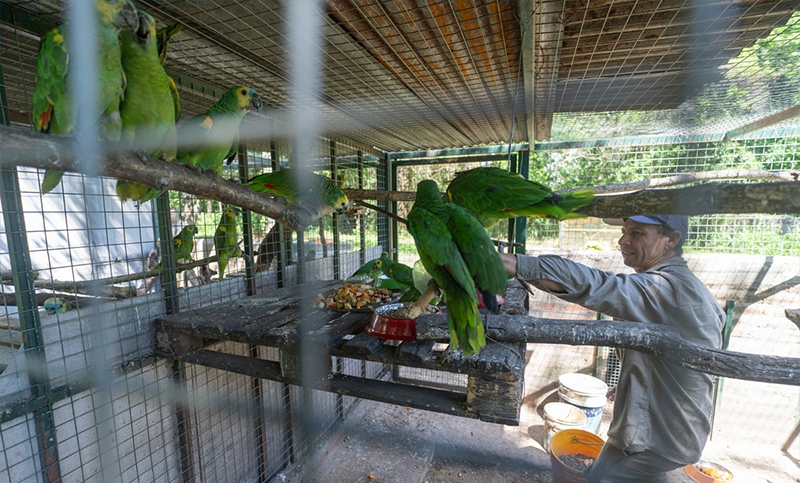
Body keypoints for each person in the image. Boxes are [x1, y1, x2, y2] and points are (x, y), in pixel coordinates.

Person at [500, 215, 724, 483]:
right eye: (624, 231)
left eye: (637, 233)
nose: (622, 240)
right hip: (675, 435)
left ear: (671, 240)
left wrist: (514, 263)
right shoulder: (690, 286)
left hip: (654, 439)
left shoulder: (669, 287)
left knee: (600, 477)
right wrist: (636, 381)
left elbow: (599, 286)